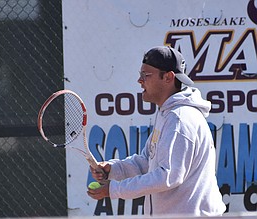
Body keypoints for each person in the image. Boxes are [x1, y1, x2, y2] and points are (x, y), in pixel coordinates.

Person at [87, 46, 226, 216]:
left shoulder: (180, 119)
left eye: (146, 75)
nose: (140, 80)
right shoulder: (168, 114)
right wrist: (114, 169)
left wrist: (115, 190)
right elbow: (147, 162)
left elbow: (167, 176)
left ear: (168, 77)